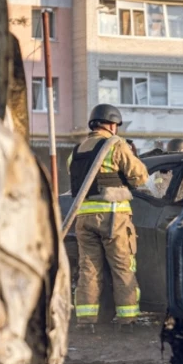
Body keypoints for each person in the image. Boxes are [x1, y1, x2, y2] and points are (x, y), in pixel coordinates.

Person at [68, 104, 148, 332]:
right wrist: (132, 156)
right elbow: (140, 176)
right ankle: (127, 320)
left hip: (83, 218)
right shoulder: (116, 145)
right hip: (112, 217)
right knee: (122, 266)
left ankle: (86, 321)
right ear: (113, 124)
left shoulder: (76, 151)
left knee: (88, 269)